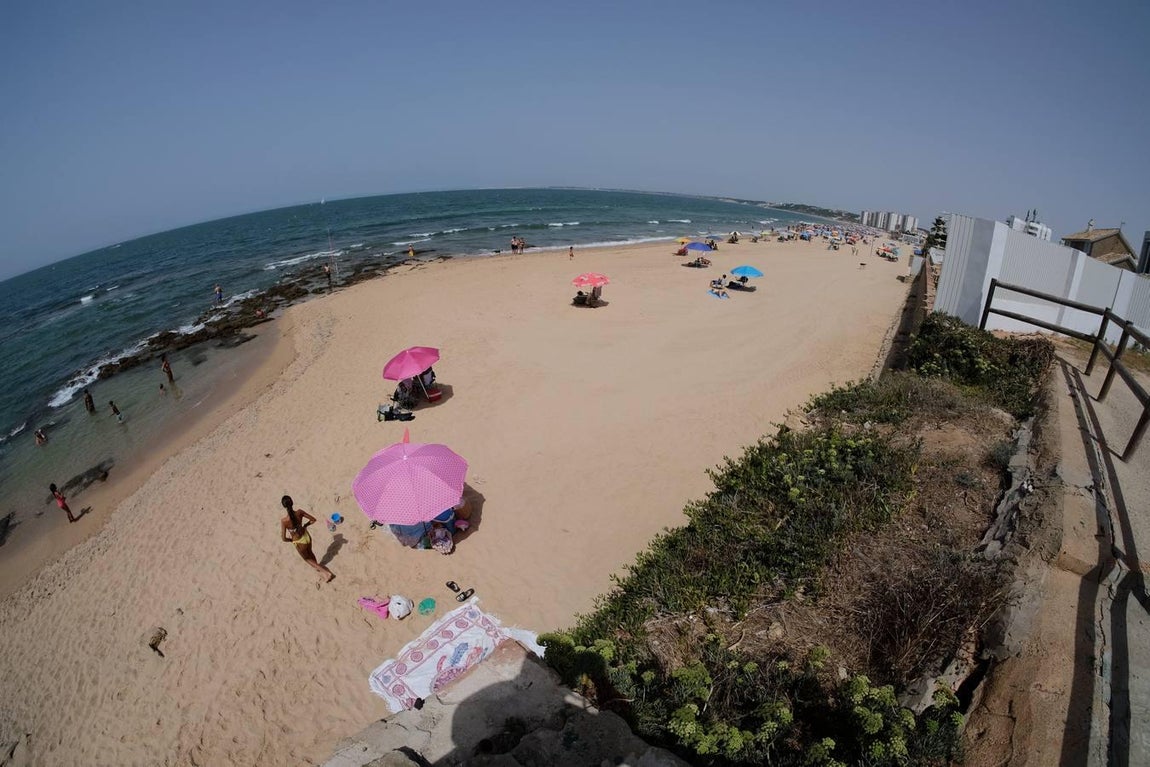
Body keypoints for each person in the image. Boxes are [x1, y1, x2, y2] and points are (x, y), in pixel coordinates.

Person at [280, 495, 334, 582]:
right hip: (306, 536)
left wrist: (291, 540)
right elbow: (313, 519)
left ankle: (326, 573)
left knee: (307, 559)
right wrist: (305, 525)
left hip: (299, 542)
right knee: (310, 553)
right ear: (292, 502)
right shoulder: (299, 512)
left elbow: (283, 538)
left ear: (284, 506)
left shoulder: (284, 521)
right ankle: (318, 568)